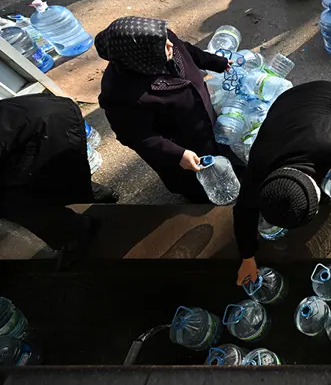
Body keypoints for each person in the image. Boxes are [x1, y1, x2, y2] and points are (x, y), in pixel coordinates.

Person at [234, 81, 331, 285]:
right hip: (284, 105)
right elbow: (244, 210)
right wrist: (247, 258)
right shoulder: (259, 168)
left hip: (327, 94)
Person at [96, 16, 242, 203]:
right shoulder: (121, 94)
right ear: (142, 57)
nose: (170, 44)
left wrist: (214, 62)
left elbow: (186, 49)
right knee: (197, 183)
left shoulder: (160, 40)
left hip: (203, 123)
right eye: (162, 46)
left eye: (166, 38)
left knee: (220, 151)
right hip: (182, 144)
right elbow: (136, 136)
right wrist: (177, 154)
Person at [1, 95, 119, 270]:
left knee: (10, 201)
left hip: (45, 125)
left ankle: (77, 231)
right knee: (47, 176)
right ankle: (97, 193)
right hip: (50, 110)